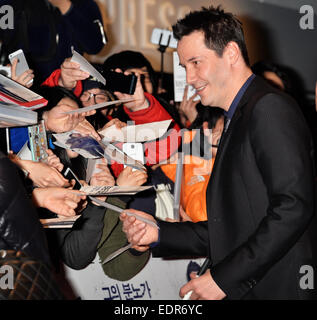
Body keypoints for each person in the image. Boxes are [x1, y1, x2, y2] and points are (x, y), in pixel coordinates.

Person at [120, 6, 316, 300]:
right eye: (185, 66)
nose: (190, 77)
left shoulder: (268, 108)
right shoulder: (239, 115)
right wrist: (159, 233)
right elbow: (236, 224)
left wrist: (223, 279)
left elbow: (293, 208)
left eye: (196, 62)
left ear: (232, 53)